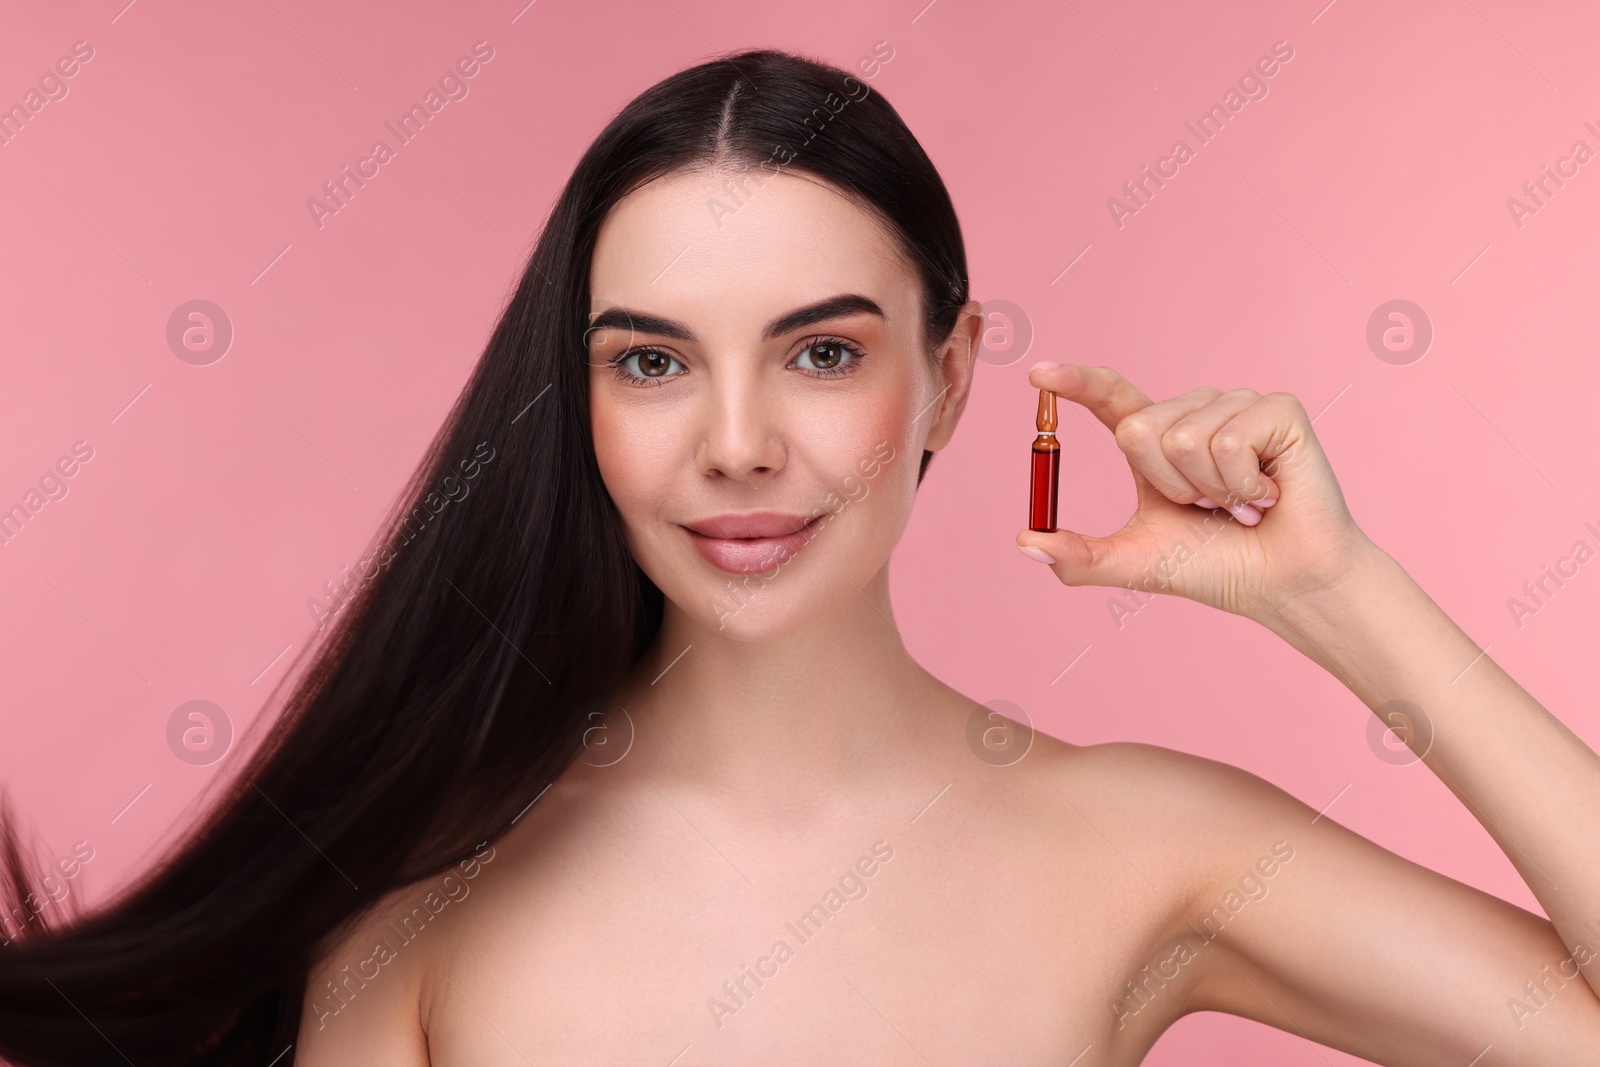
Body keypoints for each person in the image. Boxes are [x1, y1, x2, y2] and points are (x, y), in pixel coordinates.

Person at [3, 47, 1598, 1066]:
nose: (738, 442)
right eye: (651, 362)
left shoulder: (1148, 844)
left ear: (952, 376)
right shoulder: (429, 890)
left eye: (823, 356)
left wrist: (1339, 596)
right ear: (580, 393)